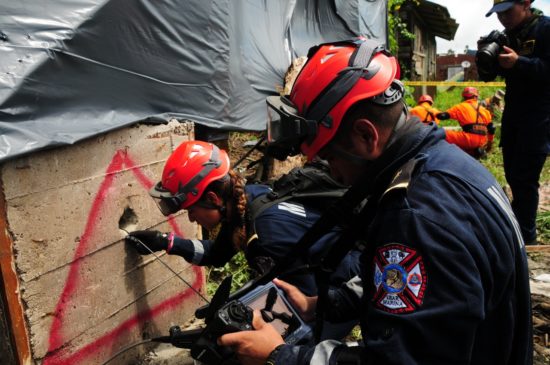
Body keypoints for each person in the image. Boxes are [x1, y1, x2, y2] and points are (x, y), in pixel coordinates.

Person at [218, 38, 533, 364]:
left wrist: (281, 356)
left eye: (328, 157)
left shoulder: (417, 215)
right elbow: (407, 286)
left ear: (366, 136)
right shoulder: (448, 166)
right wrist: (324, 304)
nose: (331, 173)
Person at [125, 140, 360, 339]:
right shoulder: (247, 202)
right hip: (325, 280)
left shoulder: (264, 233)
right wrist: (166, 242)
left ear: (212, 197)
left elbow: (307, 308)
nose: (192, 218)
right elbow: (216, 254)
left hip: (349, 284)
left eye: (191, 209)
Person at [483, 0, 550, 244]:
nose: (503, 18)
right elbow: (496, 74)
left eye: (507, 12)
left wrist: (519, 62)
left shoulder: (545, 29)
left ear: (525, 3)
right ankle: (516, 231)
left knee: (525, 179)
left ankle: (526, 238)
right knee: (513, 175)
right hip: (514, 117)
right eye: (498, 14)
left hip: (538, 118)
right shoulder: (508, 36)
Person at [437, 86, 494, 158]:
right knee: (466, 145)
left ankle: (443, 155)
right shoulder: (485, 110)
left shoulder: (460, 107)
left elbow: (442, 116)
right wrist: (490, 143)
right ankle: (475, 152)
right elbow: (491, 128)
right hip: (482, 141)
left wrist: (433, 112)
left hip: (468, 139)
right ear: (476, 97)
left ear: (464, 97)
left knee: (442, 134)